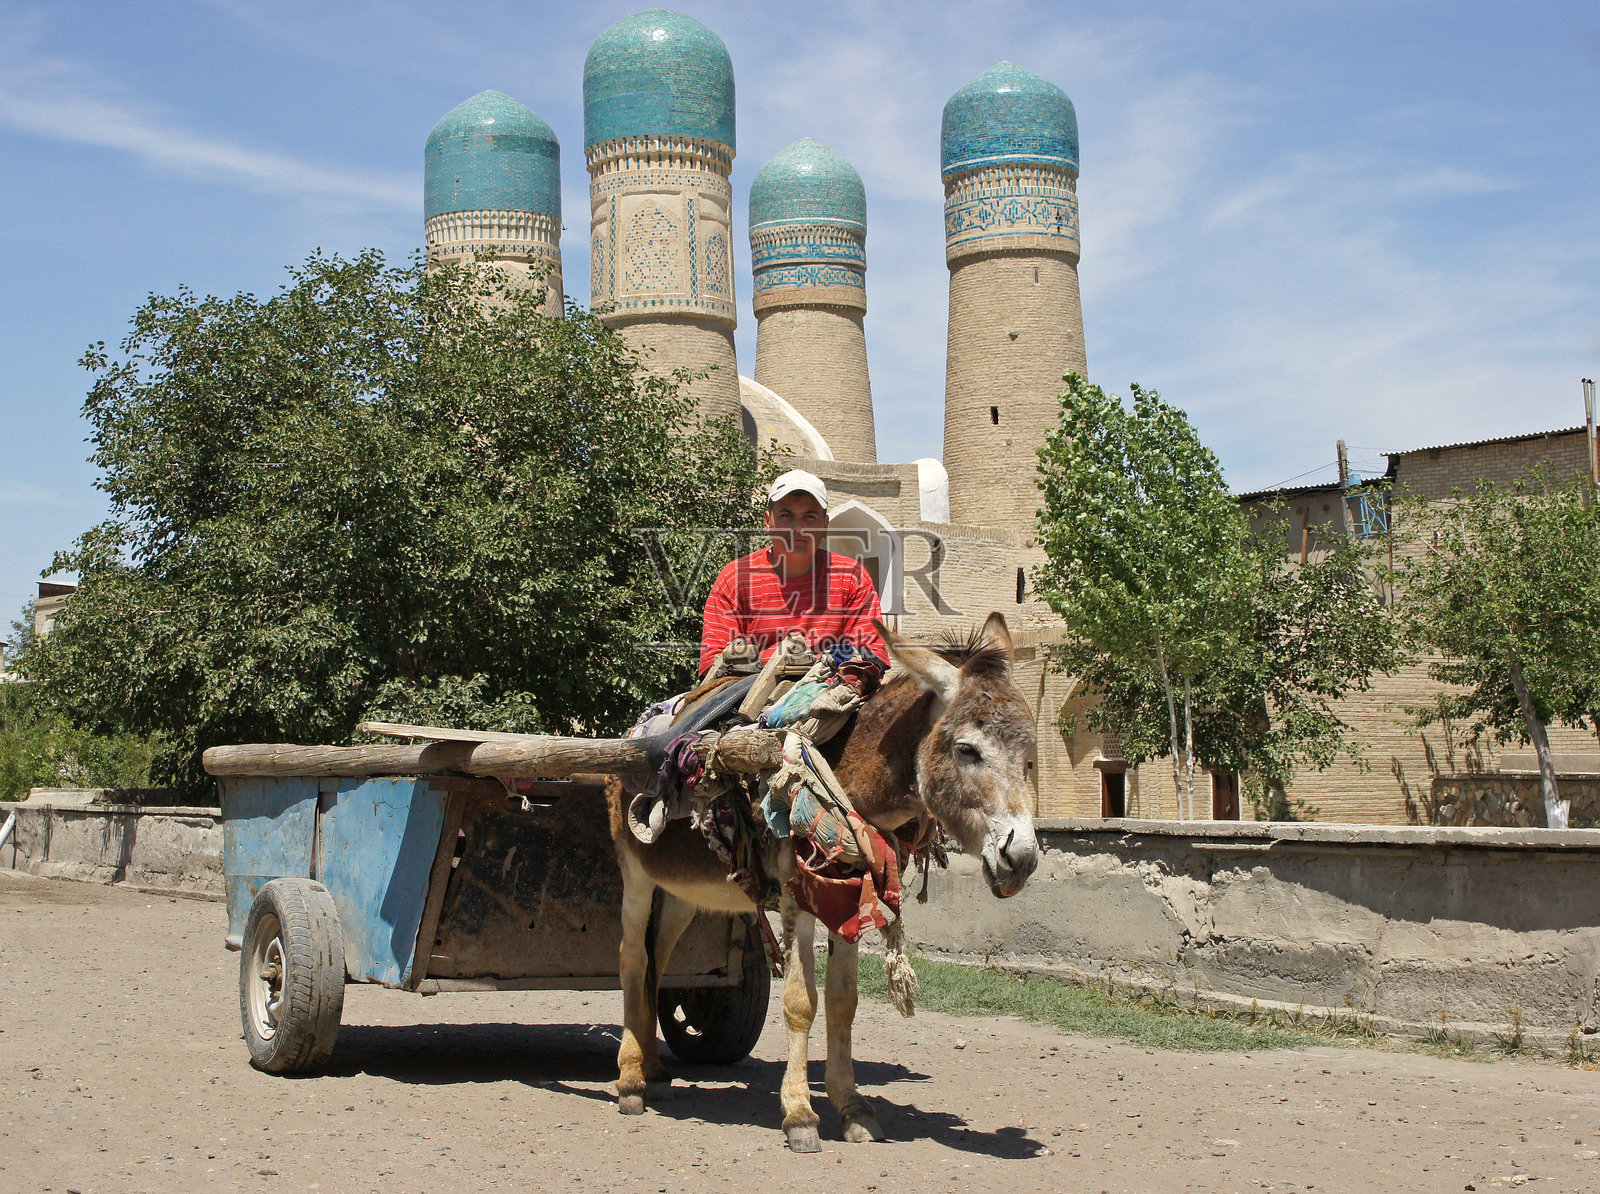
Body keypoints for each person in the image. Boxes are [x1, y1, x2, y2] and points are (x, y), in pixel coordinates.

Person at [699, 469, 887, 676]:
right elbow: (714, 660)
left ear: (824, 525)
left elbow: (871, 653)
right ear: (768, 522)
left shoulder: (851, 577)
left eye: (809, 517)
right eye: (787, 516)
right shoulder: (736, 577)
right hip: (748, 694)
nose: (798, 528)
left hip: (829, 688)